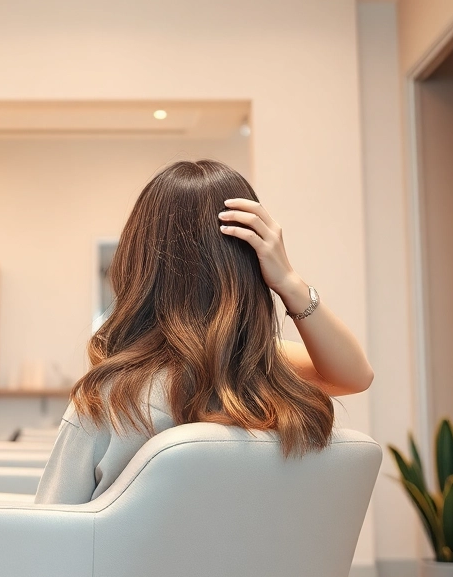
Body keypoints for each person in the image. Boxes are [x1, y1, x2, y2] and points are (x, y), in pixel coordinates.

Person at [35, 160, 374, 505]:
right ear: (253, 269)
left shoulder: (107, 402)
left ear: (137, 265)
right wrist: (290, 282)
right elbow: (356, 376)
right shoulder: (269, 382)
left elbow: (50, 539)